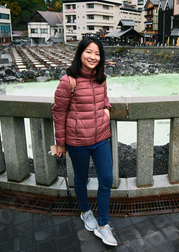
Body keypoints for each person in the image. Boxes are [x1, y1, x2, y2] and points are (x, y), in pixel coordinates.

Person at [52, 37, 117, 246]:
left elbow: (104, 98)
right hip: (77, 141)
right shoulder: (67, 81)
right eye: (89, 52)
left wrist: (107, 110)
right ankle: (85, 211)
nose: (93, 57)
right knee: (81, 178)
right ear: (80, 53)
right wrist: (60, 143)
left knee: (106, 179)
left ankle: (104, 224)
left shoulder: (102, 77)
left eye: (97, 54)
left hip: (101, 138)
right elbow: (59, 112)